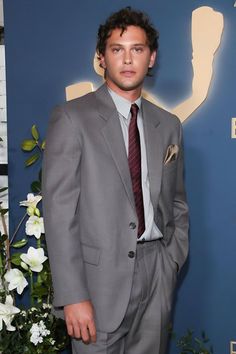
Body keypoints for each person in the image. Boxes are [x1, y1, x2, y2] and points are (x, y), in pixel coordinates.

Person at [42, 7, 189, 354]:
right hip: (97, 283)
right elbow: (60, 215)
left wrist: (171, 261)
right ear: (101, 58)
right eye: (116, 49)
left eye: (137, 49)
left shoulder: (169, 124)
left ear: (151, 58)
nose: (127, 59)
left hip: (157, 274)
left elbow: (177, 201)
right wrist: (73, 295)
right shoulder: (71, 118)